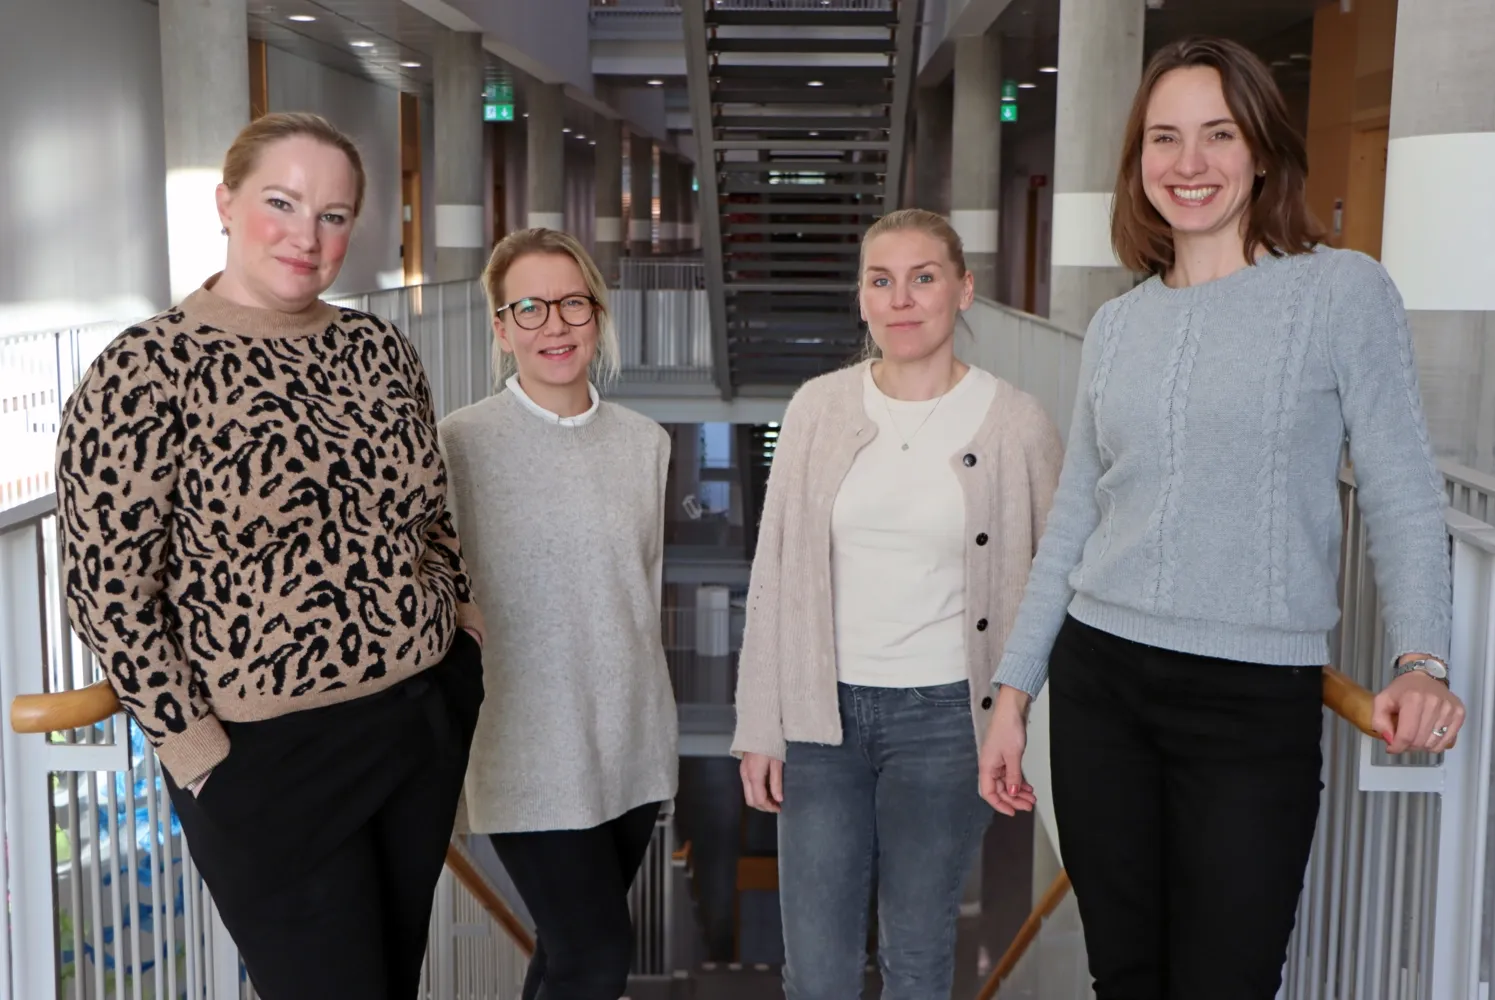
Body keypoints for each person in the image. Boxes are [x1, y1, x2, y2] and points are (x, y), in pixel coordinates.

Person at [978, 37, 1465, 1000]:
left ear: (1262, 151)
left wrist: (1420, 658)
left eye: (1217, 134)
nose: (1188, 164)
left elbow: (1405, 489)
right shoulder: (1120, 324)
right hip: (1101, 682)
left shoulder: (1340, 291)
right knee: (1125, 977)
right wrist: (1012, 692)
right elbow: (1076, 517)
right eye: (1165, 138)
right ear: (1138, 163)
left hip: (1251, 702)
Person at [54, 113, 486, 999]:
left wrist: (460, 630)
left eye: (334, 215)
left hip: (416, 722)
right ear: (226, 201)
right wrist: (195, 750)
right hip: (263, 758)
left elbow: (430, 513)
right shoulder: (146, 368)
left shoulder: (376, 348)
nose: (307, 235)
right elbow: (108, 590)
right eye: (281, 203)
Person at [734, 208, 1063, 999]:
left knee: (917, 955)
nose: (902, 299)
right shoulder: (818, 407)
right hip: (821, 717)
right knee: (817, 970)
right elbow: (774, 572)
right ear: (862, 298)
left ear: (963, 290)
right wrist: (759, 725)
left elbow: (1052, 583)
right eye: (881, 281)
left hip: (947, 718)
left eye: (924, 278)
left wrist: (1020, 718)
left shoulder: (1016, 422)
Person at [439, 227, 678, 1000]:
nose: (556, 325)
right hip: (523, 743)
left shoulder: (646, 443)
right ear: (502, 329)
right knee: (598, 954)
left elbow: (640, 590)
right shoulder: (460, 445)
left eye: (572, 303)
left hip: (631, 736)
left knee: (566, 952)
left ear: (597, 315)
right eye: (531, 308)